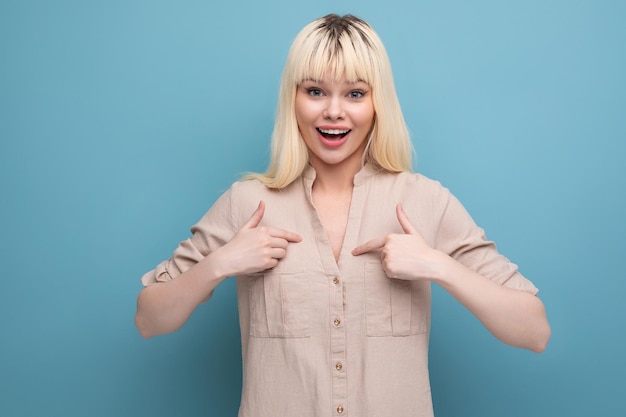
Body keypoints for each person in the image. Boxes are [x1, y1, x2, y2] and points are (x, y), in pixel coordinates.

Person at [135, 14, 551, 417]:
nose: (334, 112)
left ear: (377, 104)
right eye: (315, 91)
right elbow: (149, 319)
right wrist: (219, 264)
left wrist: (438, 266)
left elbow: (534, 331)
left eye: (355, 93)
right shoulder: (247, 204)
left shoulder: (426, 201)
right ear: (292, 99)